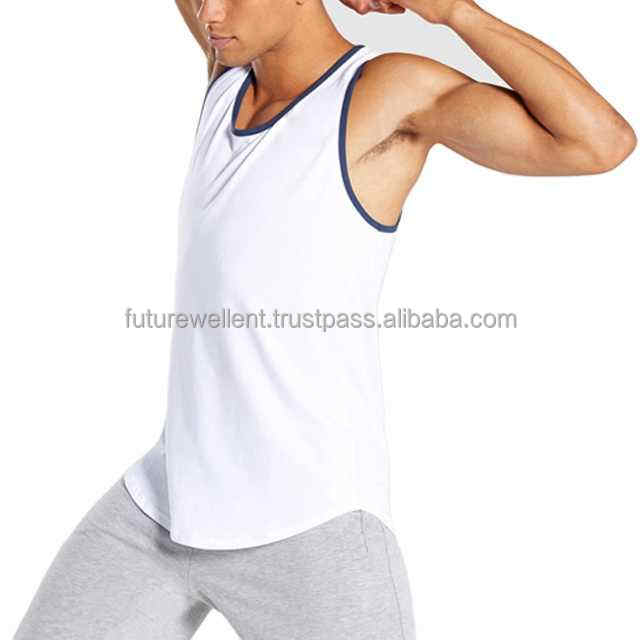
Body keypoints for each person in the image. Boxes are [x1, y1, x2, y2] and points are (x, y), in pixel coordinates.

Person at [14, 0, 635, 638]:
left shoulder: (384, 94)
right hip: (160, 510)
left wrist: (454, 12)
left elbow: (601, 144)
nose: (209, 12)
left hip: (309, 529)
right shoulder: (228, 78)